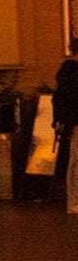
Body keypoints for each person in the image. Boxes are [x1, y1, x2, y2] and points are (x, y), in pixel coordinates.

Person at [54, 45, 78, 206]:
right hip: (76, 122)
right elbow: (65, 100)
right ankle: (74, 200)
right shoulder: (70, 74)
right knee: (76, 161)